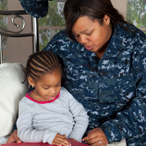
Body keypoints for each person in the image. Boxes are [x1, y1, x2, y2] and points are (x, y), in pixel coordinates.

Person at [7, 0, 146, 146]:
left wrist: (111, 131)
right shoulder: (61, 44)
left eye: (88, 33)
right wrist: (20, 129)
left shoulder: (137, 45)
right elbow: (39, 86)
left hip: (128, 137)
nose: (82, 40)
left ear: (106, 19)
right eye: (76, 35)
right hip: (70, 136)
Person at [16, 51, 89, 146]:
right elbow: (23, 133)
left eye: (57, 85)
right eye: (46, 87)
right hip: (42, 143)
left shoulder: (64, 94)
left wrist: (74, 139)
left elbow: (82, 116)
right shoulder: (26, 104)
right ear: (32, 82)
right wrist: (47, 136)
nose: (53, 91)